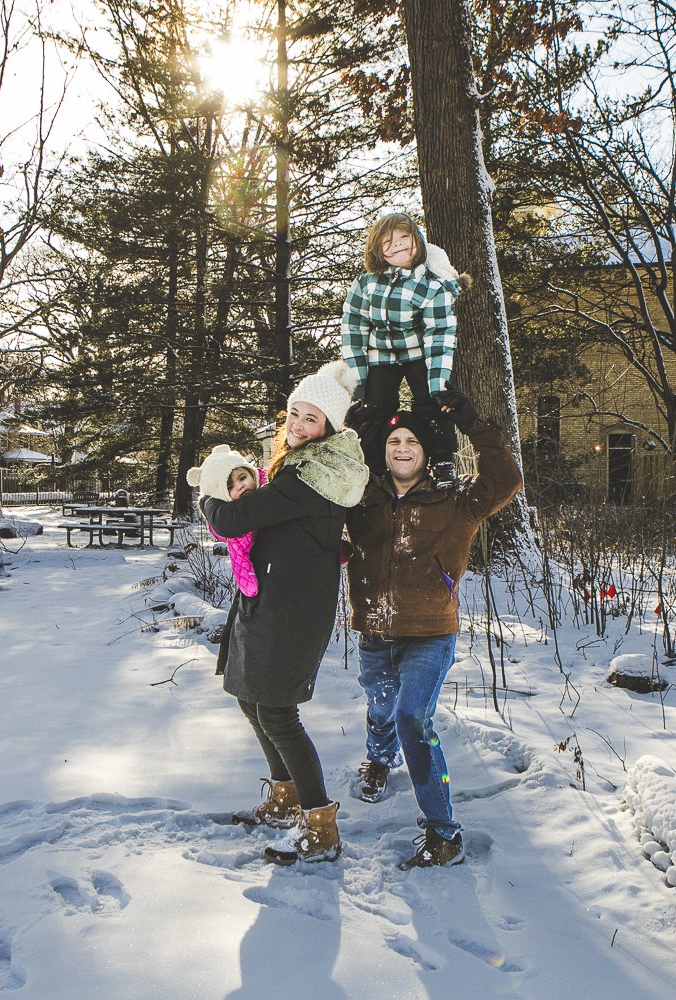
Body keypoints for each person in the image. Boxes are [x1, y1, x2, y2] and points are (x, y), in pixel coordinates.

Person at [199, 360, 370, 865]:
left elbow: (233, 519)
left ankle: (320, 827)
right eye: (293, 413)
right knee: (252, 700)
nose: (296, 424)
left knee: (276, 711)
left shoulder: (310, 475)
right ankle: (285, 796)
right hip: (270, 601)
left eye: (310, 418)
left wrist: (208, 492)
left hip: (292, 611)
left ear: (330, 428)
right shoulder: (300, 467)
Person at [345, 389, 522, 869]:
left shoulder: (457, 498)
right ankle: (379, 761)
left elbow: (506, 479)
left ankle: (443, 832)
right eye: (393, 440)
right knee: (380, 705)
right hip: (375, 629)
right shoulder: (361, 496)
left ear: (426, 450)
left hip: (430, 632)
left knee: (412, 719)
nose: (402, 447)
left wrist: (475, 425)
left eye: (412, 441)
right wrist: (347, 425)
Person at [340, 212, 469, 485]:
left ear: (418, 242)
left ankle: (443, 462)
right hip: (380, 353)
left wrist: (438, 382)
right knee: (375, 406)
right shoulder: (367, 283)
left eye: (403, 237)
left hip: (418, 352)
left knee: (432, 402)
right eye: (387, 240)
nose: (396, 243)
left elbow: (439, 334)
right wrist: (358, 377)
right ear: (377, 249)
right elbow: (354, 327)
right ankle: (372, 467)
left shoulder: (432, 286)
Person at [187, 445, 263, 598]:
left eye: (242, 478)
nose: (240, 486)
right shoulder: (236, 529)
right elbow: (239, 558)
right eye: (230, 487)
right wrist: (248, 584)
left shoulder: (270, 485)